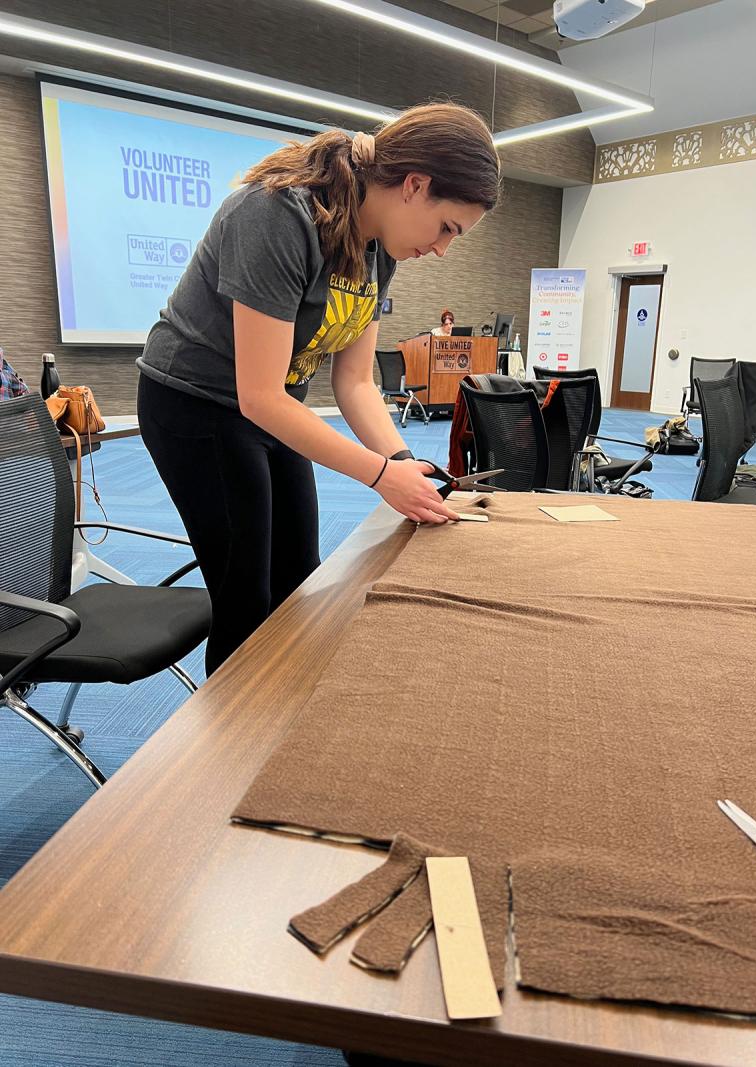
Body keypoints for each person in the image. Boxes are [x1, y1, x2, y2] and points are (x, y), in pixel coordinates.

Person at [136, 103, 500, 676]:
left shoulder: (379, 248)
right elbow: (257, 394)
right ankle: (233, 750)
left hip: (271, 407)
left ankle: (282, 712)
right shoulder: (277, 215)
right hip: (195, 405)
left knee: (300, 575)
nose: (442, 249)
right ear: (415, 185)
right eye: (447, 227)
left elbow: (354, 381)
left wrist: (404, 464)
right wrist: (381, 476)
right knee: (246, 596)